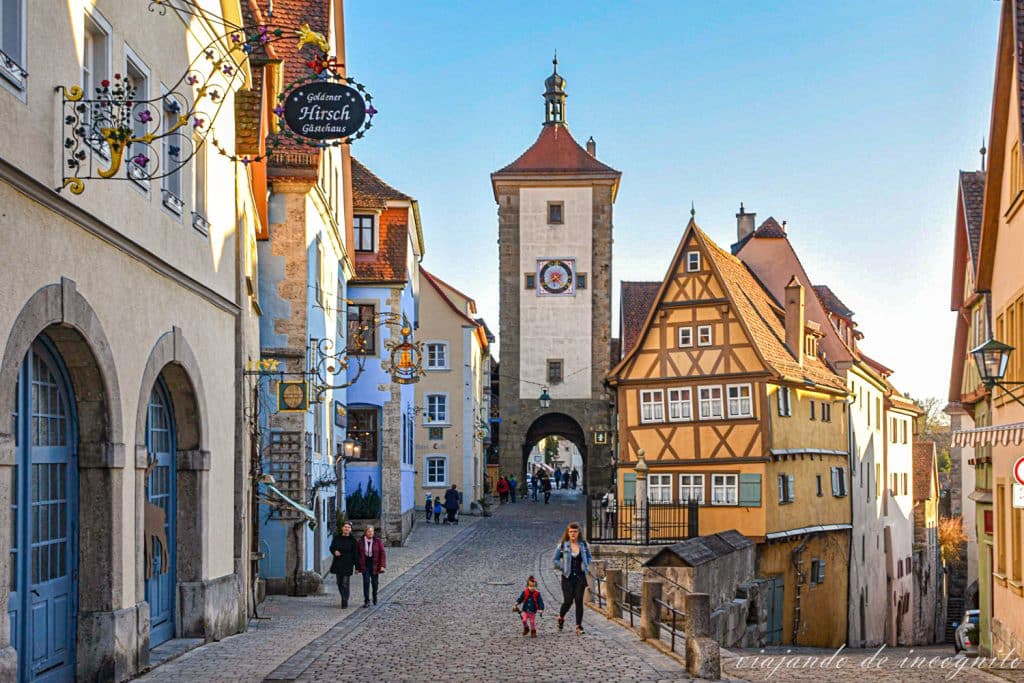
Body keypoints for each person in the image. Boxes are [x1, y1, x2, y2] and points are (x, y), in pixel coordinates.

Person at [553, 522, 592, 635]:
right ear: (568, 533)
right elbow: (555, 560)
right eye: (570, 532)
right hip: (567, 577)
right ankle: (561, 617)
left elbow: (589, 557)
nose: (573, 534)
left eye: (575, 531)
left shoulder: (584, 545)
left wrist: (585, 565)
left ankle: (578, 626)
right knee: (568, 601)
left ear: (578, 532)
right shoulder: (562, 545)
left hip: (580, 577)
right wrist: (563, 567)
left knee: (579, 601)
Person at [329, 521, 358, 608]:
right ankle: (343, 596)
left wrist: (357, 567)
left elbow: (356, 554)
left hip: (348, 563)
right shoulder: (337, 538)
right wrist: (335, 551)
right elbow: (332, 547)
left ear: (350, 530)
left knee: (345, 582)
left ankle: (344, 600)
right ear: (342, 528)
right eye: (345, 527)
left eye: (348, 527)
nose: (346, 528)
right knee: (339, 582)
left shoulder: (353, 540)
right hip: (338, 562)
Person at [357, 525, 386, 607]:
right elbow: (358, 555)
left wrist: (382, 566)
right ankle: (366, 600)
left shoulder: (378, 541)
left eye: (372, 531)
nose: (370, 533)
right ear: (365, 532)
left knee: (375, 583)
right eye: (369, 531)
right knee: (366, 582)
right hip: (365, 564)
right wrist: (357, 567)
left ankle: (374, 596)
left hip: (375, 564)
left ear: (374, 532)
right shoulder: (360, 542)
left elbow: (382, 553)